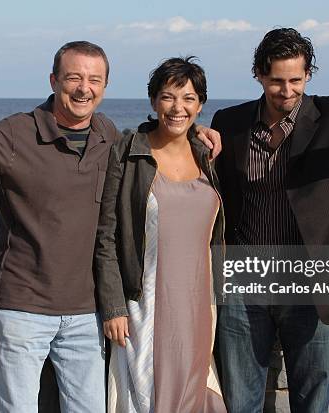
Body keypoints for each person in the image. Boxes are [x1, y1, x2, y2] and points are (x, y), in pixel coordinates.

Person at [0, 41, 221, 413]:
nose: (83, 88)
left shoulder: (109, 137)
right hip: (24, 307)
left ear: (104, 86)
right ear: (54, 80)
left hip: (87, 311)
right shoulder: (17, 133)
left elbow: (162, 133)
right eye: (73, 77)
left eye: (94, 79)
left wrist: (194, 127)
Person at [212, 29, 329, 413]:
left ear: (308, 76)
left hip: (312, 279)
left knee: (312, 399)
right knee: (238, 401)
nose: (287, 91)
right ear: (260, 75)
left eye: (296, 80)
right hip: (243, 282)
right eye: (277, 81)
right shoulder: (229, 122)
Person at [95, 56, 227, 413]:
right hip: (145, 305)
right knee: (147, 395)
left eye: (188, 98)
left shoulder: (207, 155)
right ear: (153, 101)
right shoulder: (130, 152)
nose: (177, 107)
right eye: (168, 97)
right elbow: (106, 235)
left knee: (195, 390)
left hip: (201, 305)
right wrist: (113, 307)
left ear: (200, 105)